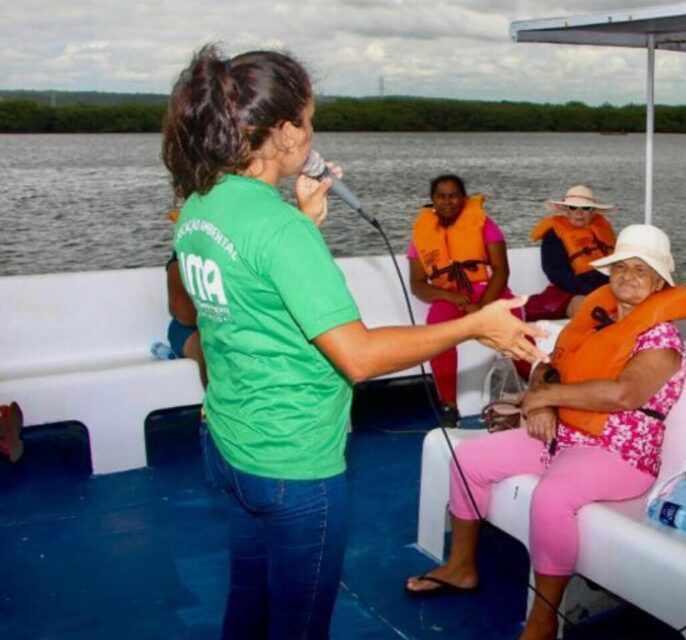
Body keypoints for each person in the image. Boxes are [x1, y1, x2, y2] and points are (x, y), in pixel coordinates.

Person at [162, 45, 545, 640]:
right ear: (286, 131)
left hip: (230, 441)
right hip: (293, 460)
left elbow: (246, 302)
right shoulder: (277, 230)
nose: (313, 132)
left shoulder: (199, 206)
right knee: (299, 626)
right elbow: (358, 357)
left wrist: (303, 221)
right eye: (310, 119)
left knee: (247, 603)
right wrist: (474, 324)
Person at [404, 225, 686, 640]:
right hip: (563, 435)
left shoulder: (662, 338)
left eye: (641, 270)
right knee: (469, 459)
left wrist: (546, 395)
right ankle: (462, 567)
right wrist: (545, 398)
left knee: (551, 496)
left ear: (660, 282)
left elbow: (624, 394)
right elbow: (553, 364)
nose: (627, 276)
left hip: (620, 456)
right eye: (621, 266)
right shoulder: (595, 318)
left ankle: (543, 621)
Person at [408, 174, 523, 415]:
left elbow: (502, 270)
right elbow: (418, 284)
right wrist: (450, 297)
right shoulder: (421, 233)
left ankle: (541, 387)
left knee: (515, 329)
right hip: (450, 296)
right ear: (432, 199)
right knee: (437, 330)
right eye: (441, 196)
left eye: (453, 196)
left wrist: (481, 308)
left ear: (464, 198)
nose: (447, 202)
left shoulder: (484, 224)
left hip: (489, 292)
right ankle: (449, 404)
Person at [525, 185, 615, 320]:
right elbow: (557, 274)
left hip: (608, 288)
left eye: (585, 208)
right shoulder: (553, 235)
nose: (579, 213)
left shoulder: (604, 232)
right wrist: (591, 292)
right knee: (588, 308)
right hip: (571, 291)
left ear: (593, 211)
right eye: (573, 207)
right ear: (566, 210)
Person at [163, 207, 208, 385]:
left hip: (235, 326)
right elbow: (181, 311)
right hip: (190, 329)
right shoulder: (185, 250)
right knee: (213, 348)